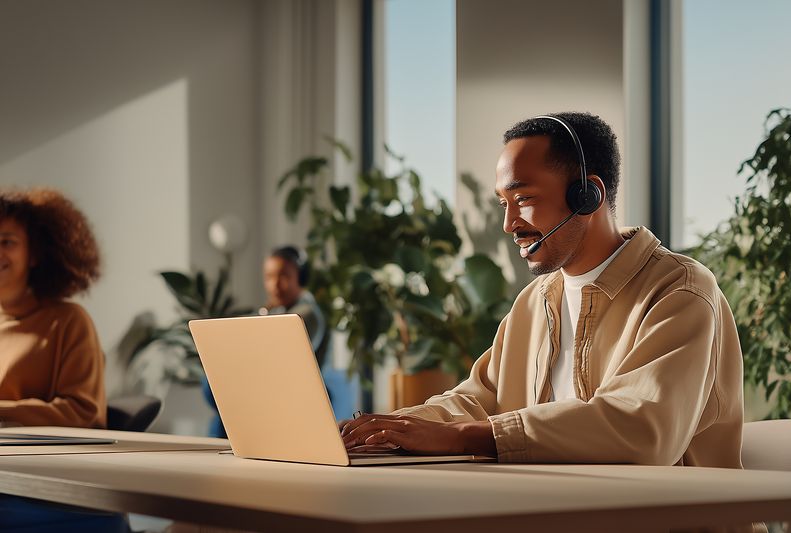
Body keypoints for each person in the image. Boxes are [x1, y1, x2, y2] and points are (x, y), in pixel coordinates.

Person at [341, 112, 746, 472]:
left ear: (587, 196)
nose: (509, 223)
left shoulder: (680, 291)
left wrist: (465, 436)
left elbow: (642, 428)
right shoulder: (536, 302)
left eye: (524, 199)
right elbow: (477, 400)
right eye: (504, 203)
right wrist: (384, 430)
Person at [0, 187, 128, 532]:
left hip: (46, 490)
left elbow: (84, 414)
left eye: (7, 241)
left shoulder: (69, 321)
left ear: (35, 254)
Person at [202, 245, 330, 437]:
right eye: (269, 277)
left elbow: (278, 360)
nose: (275, 285)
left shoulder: (306, 314)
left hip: (293, 394)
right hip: (274, 388)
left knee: (219, 392)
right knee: (215, 389)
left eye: (284, 276)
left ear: (301, 277)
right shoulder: (278, 310)